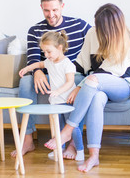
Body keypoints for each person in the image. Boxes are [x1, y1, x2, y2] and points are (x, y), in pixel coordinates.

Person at [44, 3, 130, 172]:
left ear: (111, 27)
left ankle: (68, 130)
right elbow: (82, 64)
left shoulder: (126, 38)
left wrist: (80, 87)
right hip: (96, 88)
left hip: (121, 85)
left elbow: (107, 73)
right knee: (96, 98)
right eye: (97, 24)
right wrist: (56, 67)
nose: (97, 29)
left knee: (94, 79)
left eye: (101, 27)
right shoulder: (92, 33)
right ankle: (94, 156)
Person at [14, 0, 91, 157]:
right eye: (47, 10)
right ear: (41, 8)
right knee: (26, 82)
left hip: (73, 74)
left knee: (81, 83)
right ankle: (27, 140)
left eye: (55, 10)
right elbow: (34, 59)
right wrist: (37, 72)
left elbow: (101, 38)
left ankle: (72, 143)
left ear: (62, 6)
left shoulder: (79, 25)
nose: (51, 15)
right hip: (49, 72)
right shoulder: (35, 30)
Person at [18, 30, 85, 161]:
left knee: (73, 127)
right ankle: (59, 149)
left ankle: (80, 150)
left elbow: (70, 82)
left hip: (67, 101)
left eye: (48, 51)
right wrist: (27, 69)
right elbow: (39, 64)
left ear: (60, 48)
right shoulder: (49, 62)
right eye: (44, 52)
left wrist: (58, 92)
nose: (46, 55)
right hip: (55, 102)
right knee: (57, 127)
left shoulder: (68, 64)